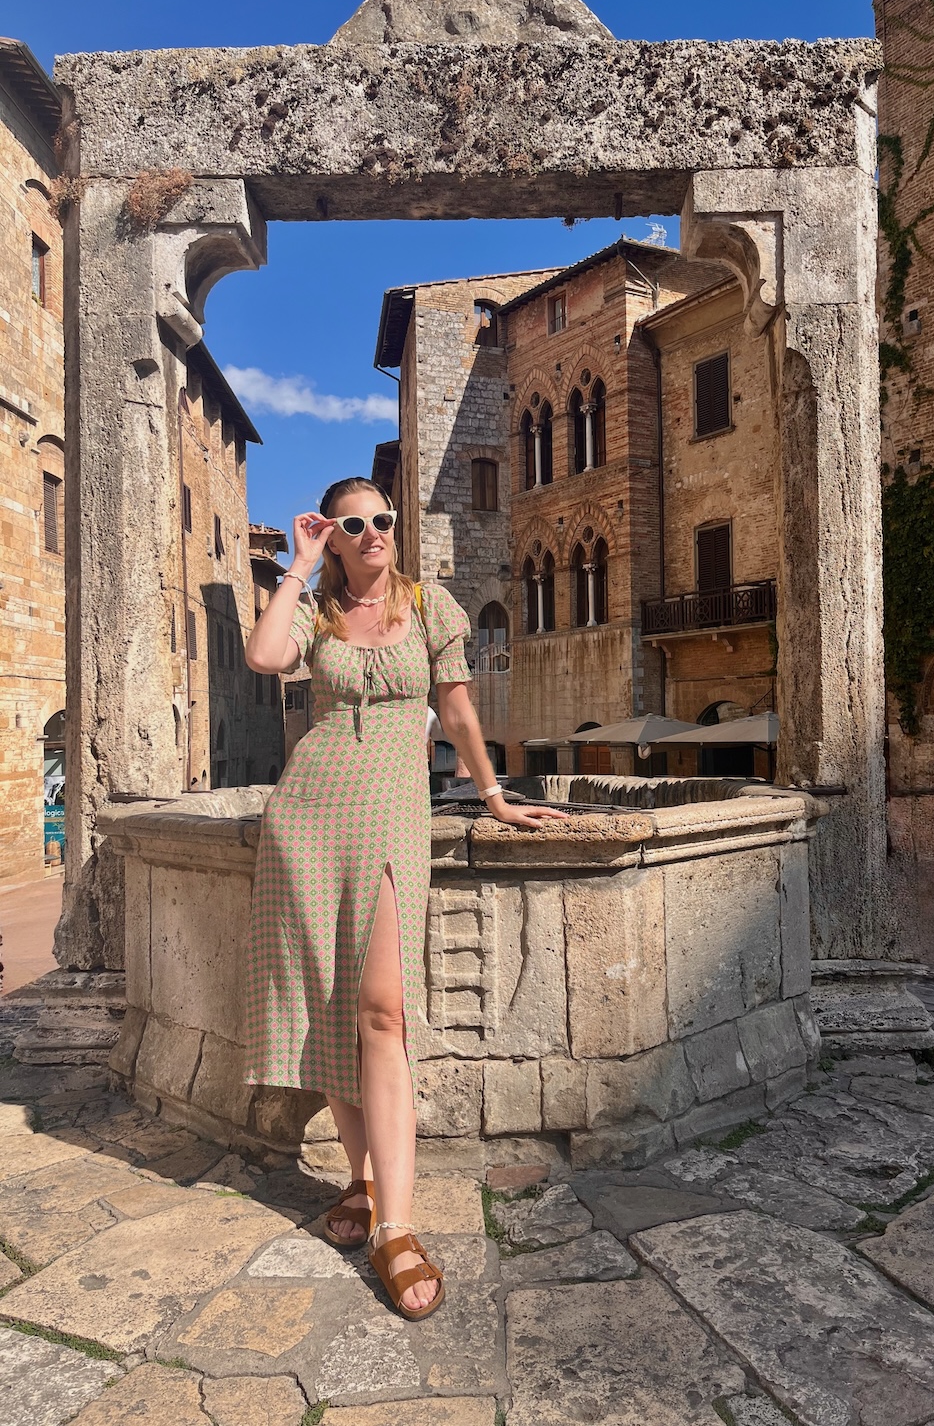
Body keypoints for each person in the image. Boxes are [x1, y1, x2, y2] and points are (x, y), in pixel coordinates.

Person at [243, 476, 566, 1320]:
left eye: (383, 518)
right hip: (306, 815)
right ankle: (358, 1177)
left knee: (382, 1010)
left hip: (390, 809)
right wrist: (297, 567)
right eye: (354, 524)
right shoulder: (313, 614)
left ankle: (395, 1223)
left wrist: (493, 795)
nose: (375, 531)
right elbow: (264, 659)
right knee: (335, 1005)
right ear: (336, 536)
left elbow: (456, 713)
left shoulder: (431, 608)